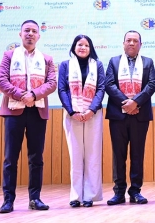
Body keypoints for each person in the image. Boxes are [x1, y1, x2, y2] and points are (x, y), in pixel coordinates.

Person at [0, 20, 57, 213]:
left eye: (34, 31)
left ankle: (35, 199)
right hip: (14, 111)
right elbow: (0, 81)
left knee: (36, 158)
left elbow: (52, 83)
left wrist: (34, 95)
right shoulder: (8, 56)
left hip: (37, 112)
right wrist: (21, 95)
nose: (30, 34)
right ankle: (8, 200)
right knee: (10, 159)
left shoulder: (46, 59)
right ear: (20, 34)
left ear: (39, 36)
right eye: (27, 31)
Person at [105, 30, 155, 205]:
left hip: (139, 115)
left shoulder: (148, 62)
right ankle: (119, 192)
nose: (132, 43)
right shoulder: (113, 61)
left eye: (135, 41)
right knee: (118, 155)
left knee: (137, 154)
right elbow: (109, 84)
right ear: (123, 43)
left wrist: (135, 103)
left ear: (140, 44)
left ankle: (135, 191)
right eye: (129, 40)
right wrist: (126, 103)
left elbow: (151, 85)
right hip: (118, 116)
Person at [58, 35, 105, 208]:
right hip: (72, 115)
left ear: (90, 48)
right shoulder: (65, 65)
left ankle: (90, 196)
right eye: (80, 44)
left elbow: (101, 88)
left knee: (92, 155)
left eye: (86, 45)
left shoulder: (97, 65)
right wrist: (72, 111)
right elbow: (62, 89)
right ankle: (76, 195)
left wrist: (92, 109)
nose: (83, 47)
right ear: (74, 47)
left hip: (94, 114)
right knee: (75, 156)